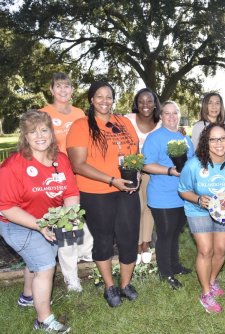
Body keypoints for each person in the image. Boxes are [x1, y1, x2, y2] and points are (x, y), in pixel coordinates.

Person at [0, 110, 76, 332]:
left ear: (51, 132)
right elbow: (7, 208)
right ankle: (43, 321)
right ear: (25, 137)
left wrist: (68, 217)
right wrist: (40, 225)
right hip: (16, 224)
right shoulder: (12, 166)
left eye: (43, 129)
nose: (39, 135)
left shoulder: (61, 160)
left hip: (47, 221)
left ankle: (27, 297)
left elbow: (70, 192)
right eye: (32, 132)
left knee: (39, 259)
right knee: (45, 265)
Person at [66, 81, 140, 308]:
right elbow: (78, 165)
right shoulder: (81, 126)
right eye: (99, 96)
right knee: (104, 240)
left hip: (126, 190)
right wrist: (111, 180)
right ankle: (110, 286)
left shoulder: (124, 122)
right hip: (97, 193)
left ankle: (125, 284)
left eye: (109, 96)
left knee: (129, 238)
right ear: (91, 99)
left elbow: (134, 152)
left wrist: (133, 175)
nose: (105, 101)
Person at [178, 123, 225, 313]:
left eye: (223, 138)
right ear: (206, 142)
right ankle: (206, 293)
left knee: (221, 249)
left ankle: (212, 280)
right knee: (206, 250)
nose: (218, 143)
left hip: (222, 211)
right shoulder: (193, 164)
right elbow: (183, 190)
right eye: (213, 139)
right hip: (197, 209)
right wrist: (199, 199)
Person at [40, 72, 93, 292]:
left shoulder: (80, 113)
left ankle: (84, 255)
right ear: (51, 90)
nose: (63, 90)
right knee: (66, 226)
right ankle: (72, 278)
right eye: (58, 86)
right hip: (56, 178)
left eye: (67, 86)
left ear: (72, 90)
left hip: (79, 175)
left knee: (80, 220)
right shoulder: (43, 114)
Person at [142, 101, 194, 289]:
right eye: (167, 113)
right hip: (162, 196)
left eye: (175, 113)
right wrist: (170, 170)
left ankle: (175, 265)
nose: (171, 117)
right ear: (161, 116)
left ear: (179, 115)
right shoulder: (154, 138)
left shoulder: (185, 138)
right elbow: (146, 165)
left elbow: (192, 163)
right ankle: (166, 273)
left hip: (182, 196)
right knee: (165, 234)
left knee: (174, 233)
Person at [125, 88, 162, 263]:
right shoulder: (127, 120)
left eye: (149, 101)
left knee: (148, 206)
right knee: (135, 208)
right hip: (130, 170)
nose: (145, 105)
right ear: (136, 103)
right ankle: (136, 243)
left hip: (150, 170)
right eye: (141, 101)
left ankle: (145, 244)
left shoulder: (161, 123)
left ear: (155, 104)